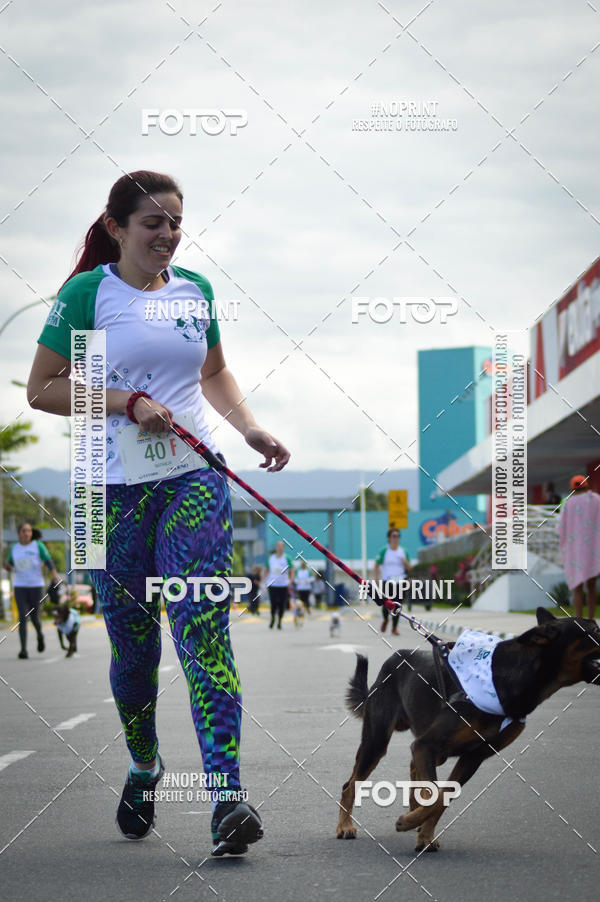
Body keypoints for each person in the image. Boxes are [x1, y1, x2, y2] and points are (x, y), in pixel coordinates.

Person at [27, 170, 290, 857]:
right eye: (153, 224)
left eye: (176, 222)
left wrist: (250, 429)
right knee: (135, 653)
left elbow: (212, 375)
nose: (168, 236)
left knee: (203, 634)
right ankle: (144, 764)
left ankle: (227, 799)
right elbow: (43, 389)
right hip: (106, 493)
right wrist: (125, 401)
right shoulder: (89, 293)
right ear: (117, 228)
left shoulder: (194, 292)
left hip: (190, 478)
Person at [5, 522, 59, 659]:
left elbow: (48, 561)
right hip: (20, 585)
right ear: (19, 533)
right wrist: (7, 566)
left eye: (29, 531)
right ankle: (23, 650)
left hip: (36, 586)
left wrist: (55, 576)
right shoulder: (14, 548)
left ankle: (40, 635)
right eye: (24, 531)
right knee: (22, 617)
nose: (27, 533)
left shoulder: (37, 546)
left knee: (35, 617)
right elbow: (10, 564)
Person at [559, 474, 600, 619]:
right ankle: (590, 619)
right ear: (587, 485)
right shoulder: (596, 499)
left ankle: (579, 620)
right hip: (593, 550)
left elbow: (560, 528)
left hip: (574, 551)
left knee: (577, 588)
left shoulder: (568, 504)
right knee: (591, 586)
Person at [373, 529, 411, 635]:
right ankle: (385, 619)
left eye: (398, 536)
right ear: (389, 538)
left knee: (397, 605)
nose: (396, 538)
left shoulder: (403, 551)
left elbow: (410, 568)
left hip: (400, 582)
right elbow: (376, 565)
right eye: (394, 536)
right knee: (386, 603)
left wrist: (405, 562)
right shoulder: (384, 551)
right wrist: (376, 579)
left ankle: (394, 627)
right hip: (387, 581)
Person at [264, 541, 294, 629]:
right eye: (278, 546)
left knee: (282, 604)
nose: (279, 548)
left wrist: (291, 581)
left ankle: (280, 621)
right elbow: (266, 570)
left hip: (283, 584)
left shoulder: (287, 558)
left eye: (281, 547)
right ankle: (273, 618)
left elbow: (292, 570)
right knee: (273, 603)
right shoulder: (271, 558)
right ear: (276, 548)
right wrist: (262, 580)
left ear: (283, 548)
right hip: (272, 584)